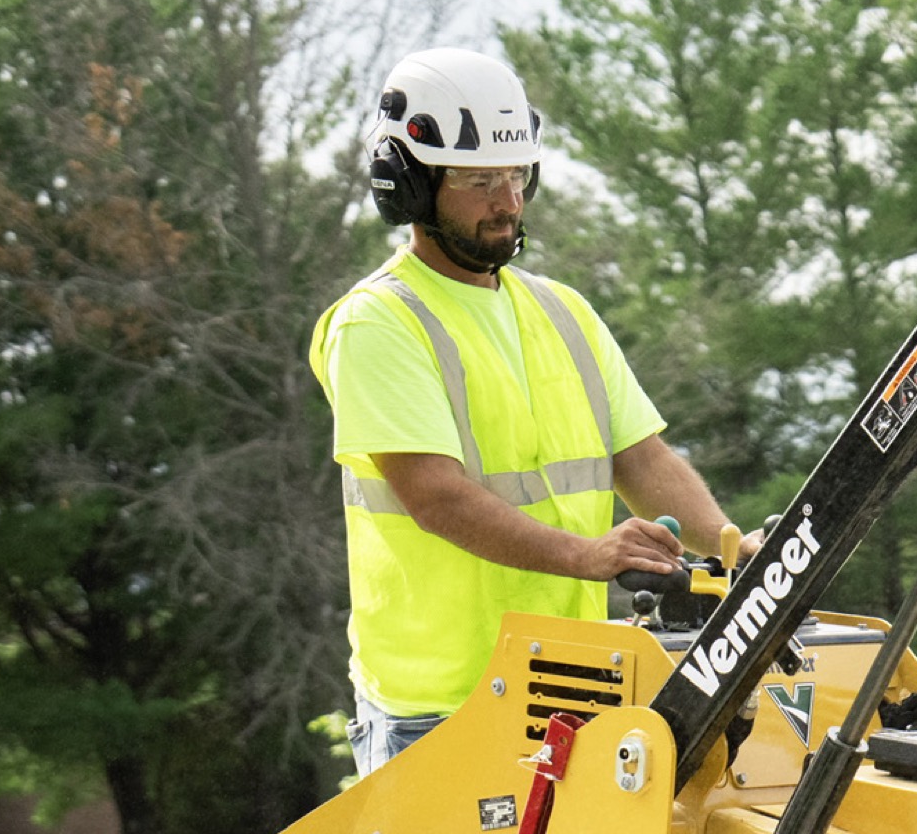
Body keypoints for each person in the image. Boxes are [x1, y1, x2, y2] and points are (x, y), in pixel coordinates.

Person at [311, 47, 731, 773]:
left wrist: (732, 550)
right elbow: (435, 497)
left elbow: (643, 458)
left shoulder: (562, 311)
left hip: (575, 693)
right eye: (479, 181)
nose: (506, 201)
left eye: (515, 175)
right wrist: (589, 556)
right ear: (410, 186)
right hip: (441, 710)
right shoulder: (379, 323)